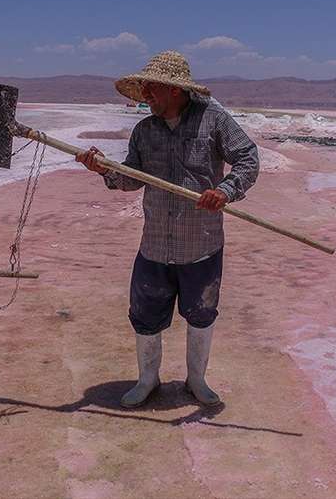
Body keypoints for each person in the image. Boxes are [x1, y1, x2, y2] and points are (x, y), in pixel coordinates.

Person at [75, 50, 259, 408]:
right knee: (145, 316)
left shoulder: (214, 121)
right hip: (155, 246)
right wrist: (103, 170)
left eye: (151, 89)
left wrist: (225, 190)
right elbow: (130, 179)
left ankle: (196, 380)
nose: (145, 95)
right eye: (143, 88)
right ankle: (148, 380)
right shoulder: (144, 131)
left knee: (202, 314)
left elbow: (248, 158)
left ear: (175, 90)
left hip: (201, 246)